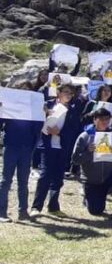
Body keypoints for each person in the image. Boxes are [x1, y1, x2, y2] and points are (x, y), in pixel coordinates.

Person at [30, 84, 82, 217]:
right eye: (66, 92)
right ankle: (36, 207)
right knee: (45, 176)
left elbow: (75, 128)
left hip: (63, 146)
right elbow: (36, 121)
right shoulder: (48, 105)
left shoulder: (74, 108)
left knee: (58, 177)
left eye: (71, 93)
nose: (69, 95)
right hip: (48, 145)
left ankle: (53, 206)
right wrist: (44, 114)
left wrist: (59, 132)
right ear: (58, 93)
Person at [0, 82, 44, 223]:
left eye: (28, 91)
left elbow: (37, 131)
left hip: (26, 149)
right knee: (6, 180)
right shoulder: (10, 109)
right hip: (11, 146)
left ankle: (23, 212)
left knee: (23, 181)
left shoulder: (34, 111)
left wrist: (42, 113)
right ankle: (2, 212)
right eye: (22, 90)